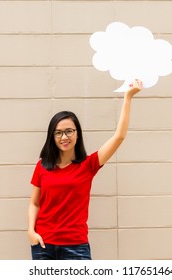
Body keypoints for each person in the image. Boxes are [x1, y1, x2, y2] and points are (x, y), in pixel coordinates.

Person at [27, 79, 143, 260]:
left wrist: (128, 97)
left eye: (69, 131)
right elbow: (34, 203)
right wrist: (30, 232)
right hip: (43, 246)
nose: (64, 137)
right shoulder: (42, 166)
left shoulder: (88, 165)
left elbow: (119, 137)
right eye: (58, 132)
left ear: (77, 133)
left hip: (75, 247)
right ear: (52, 136)